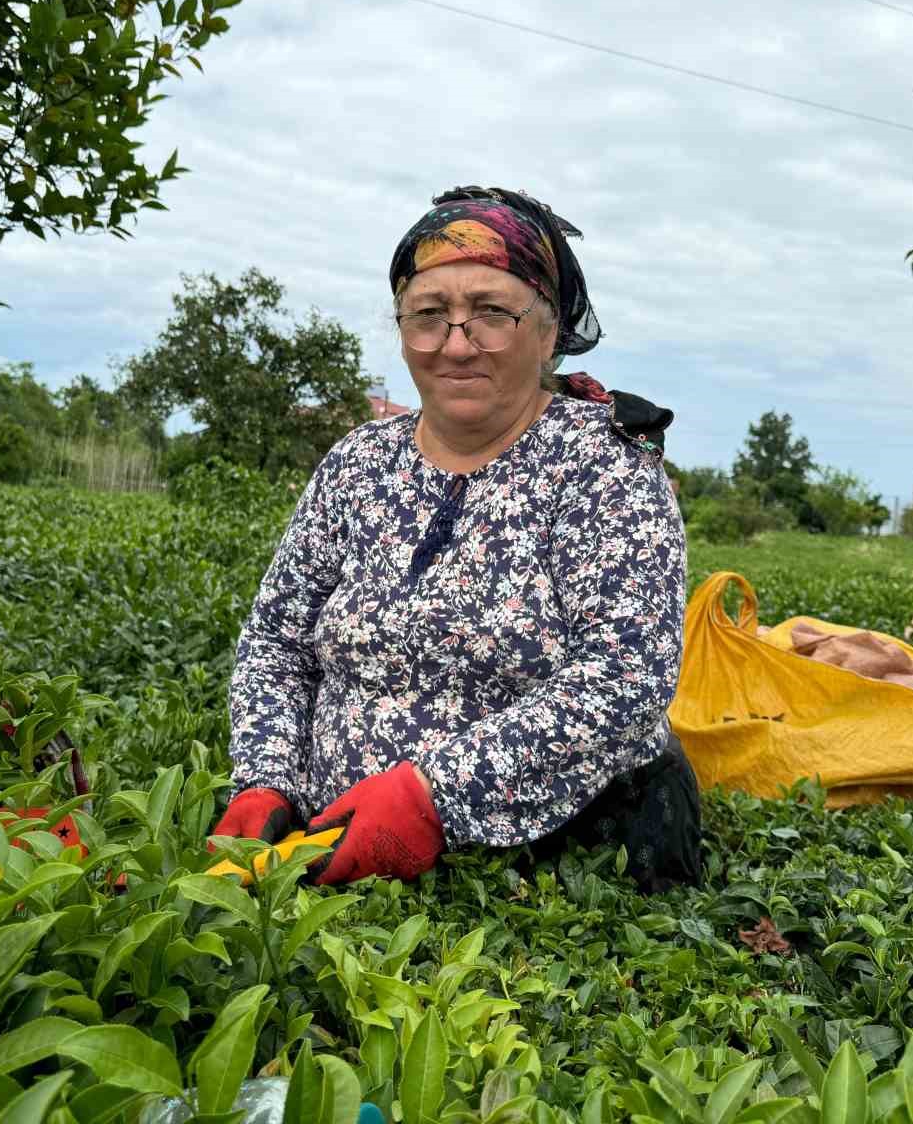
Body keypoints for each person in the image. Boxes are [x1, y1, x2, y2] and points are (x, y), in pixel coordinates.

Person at [215, 186, 701, 891]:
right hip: (330, 846)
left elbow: (626, 677)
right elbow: (277, 640)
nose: (455, 344)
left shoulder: (604, 465)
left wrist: (433, 796)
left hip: (554, 867)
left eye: (491, 315)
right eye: (428, 317)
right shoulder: (358, 463)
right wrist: (266, 779)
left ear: (548, 331)